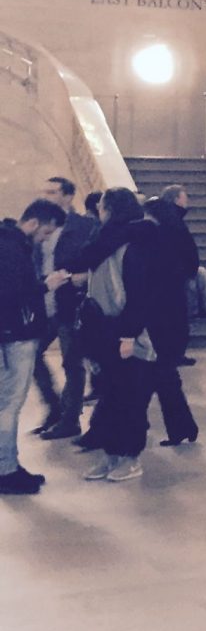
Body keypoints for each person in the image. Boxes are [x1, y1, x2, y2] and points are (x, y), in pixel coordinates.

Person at [74, 187, 160, 483]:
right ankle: (111, 454)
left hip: (128, 332)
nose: (99, 211)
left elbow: (140, 295)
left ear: (110, 209)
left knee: (130, 399)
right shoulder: (105, 242)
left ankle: (130, 457)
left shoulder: (134, 243)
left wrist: (129, 336)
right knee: (109, 396)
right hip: (104, 328)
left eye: (101, 206)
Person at [1, 199, 63, 494]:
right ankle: (6, 471)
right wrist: (45, 285)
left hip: (11, 332)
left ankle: (8, 464)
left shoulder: (9, 241)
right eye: (45, 233)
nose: (45, 239)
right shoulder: (12, 247)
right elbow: (13, 292)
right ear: (35, 222)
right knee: (9, 405)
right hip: (16, 334)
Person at [31, 174, 97, 440]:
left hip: (70, 304)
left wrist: (84, 277)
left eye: (53, 192)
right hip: (42, 303)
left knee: (72, 363)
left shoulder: (84, 226)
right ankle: (54, 406)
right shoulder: (39, 224)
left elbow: (97, 259)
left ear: (68, 196)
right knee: (32, 355)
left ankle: (70, 419)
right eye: (45, 191)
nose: (47, 195)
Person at [144, 191, 200, 446]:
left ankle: (182, 428)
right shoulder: (179, 236)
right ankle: (183, 428)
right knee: (165, 375)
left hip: (161, 318)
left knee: (161, 374)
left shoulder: (157, 243)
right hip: (174, 315)